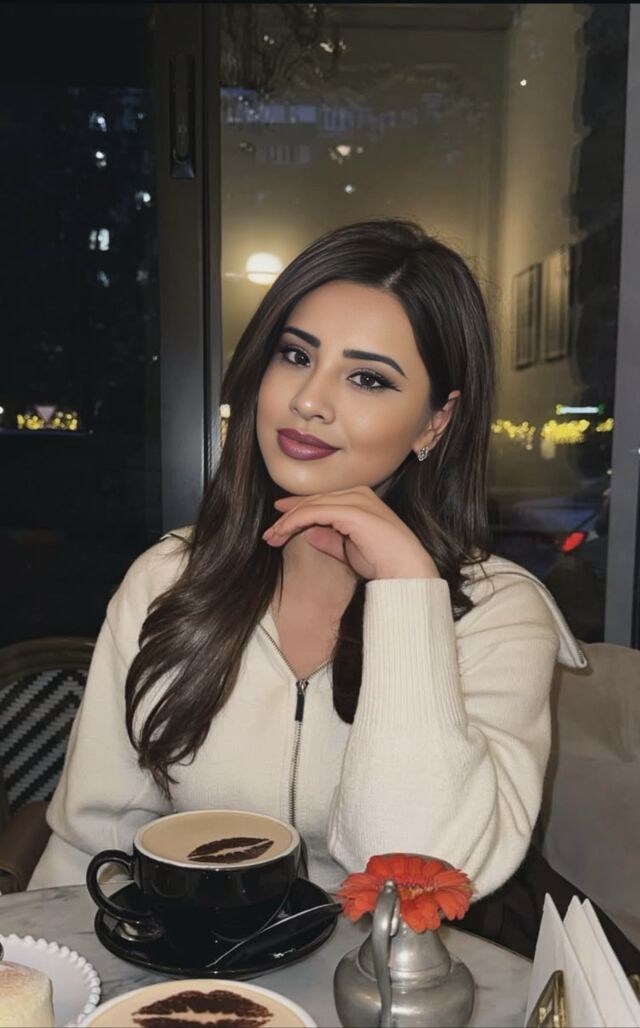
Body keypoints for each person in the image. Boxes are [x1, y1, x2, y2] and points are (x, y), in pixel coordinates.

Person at [30, 219, 585, 916]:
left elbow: (416, 874)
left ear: (434, 423)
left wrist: (408, 590)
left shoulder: (499, 611)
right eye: (295, 356)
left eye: (367, 378)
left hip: (396, 976)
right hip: (200, 965)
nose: (309, 401)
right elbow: (91, 846)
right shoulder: (168, 578)